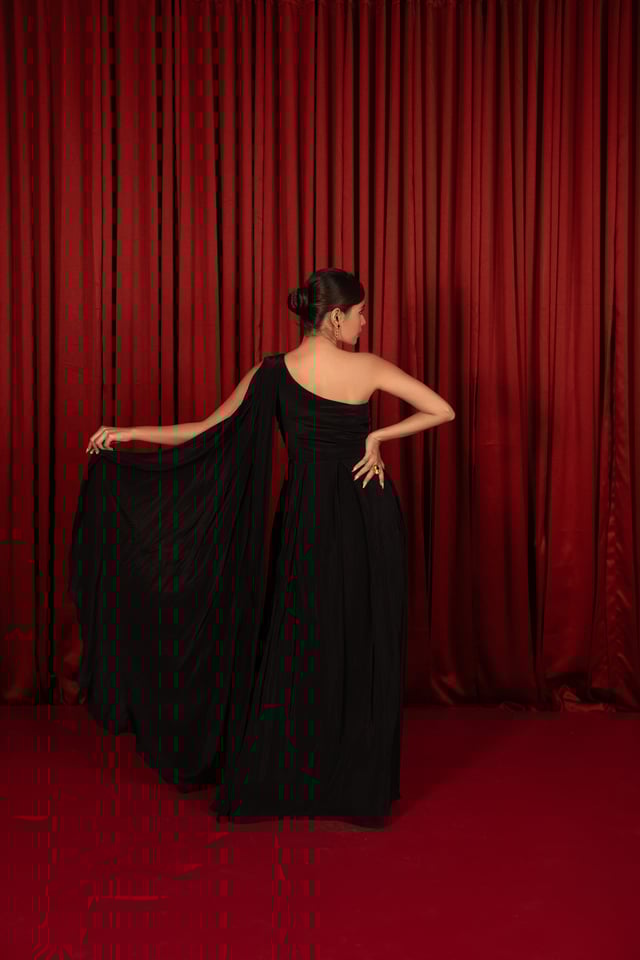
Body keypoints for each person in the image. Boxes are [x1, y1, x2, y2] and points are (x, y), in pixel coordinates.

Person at [71, 267, 455, 824]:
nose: (365, 323)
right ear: (337, 317)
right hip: (366, 514)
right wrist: (377, 436)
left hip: (306, 521)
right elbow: (441, 408)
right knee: (358, 637)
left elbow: (206, 430)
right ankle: (352, 783)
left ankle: (296, 774)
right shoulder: (367, 367)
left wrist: (130, 434)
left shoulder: (272, 373)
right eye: (361, 313)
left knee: (301, 640)